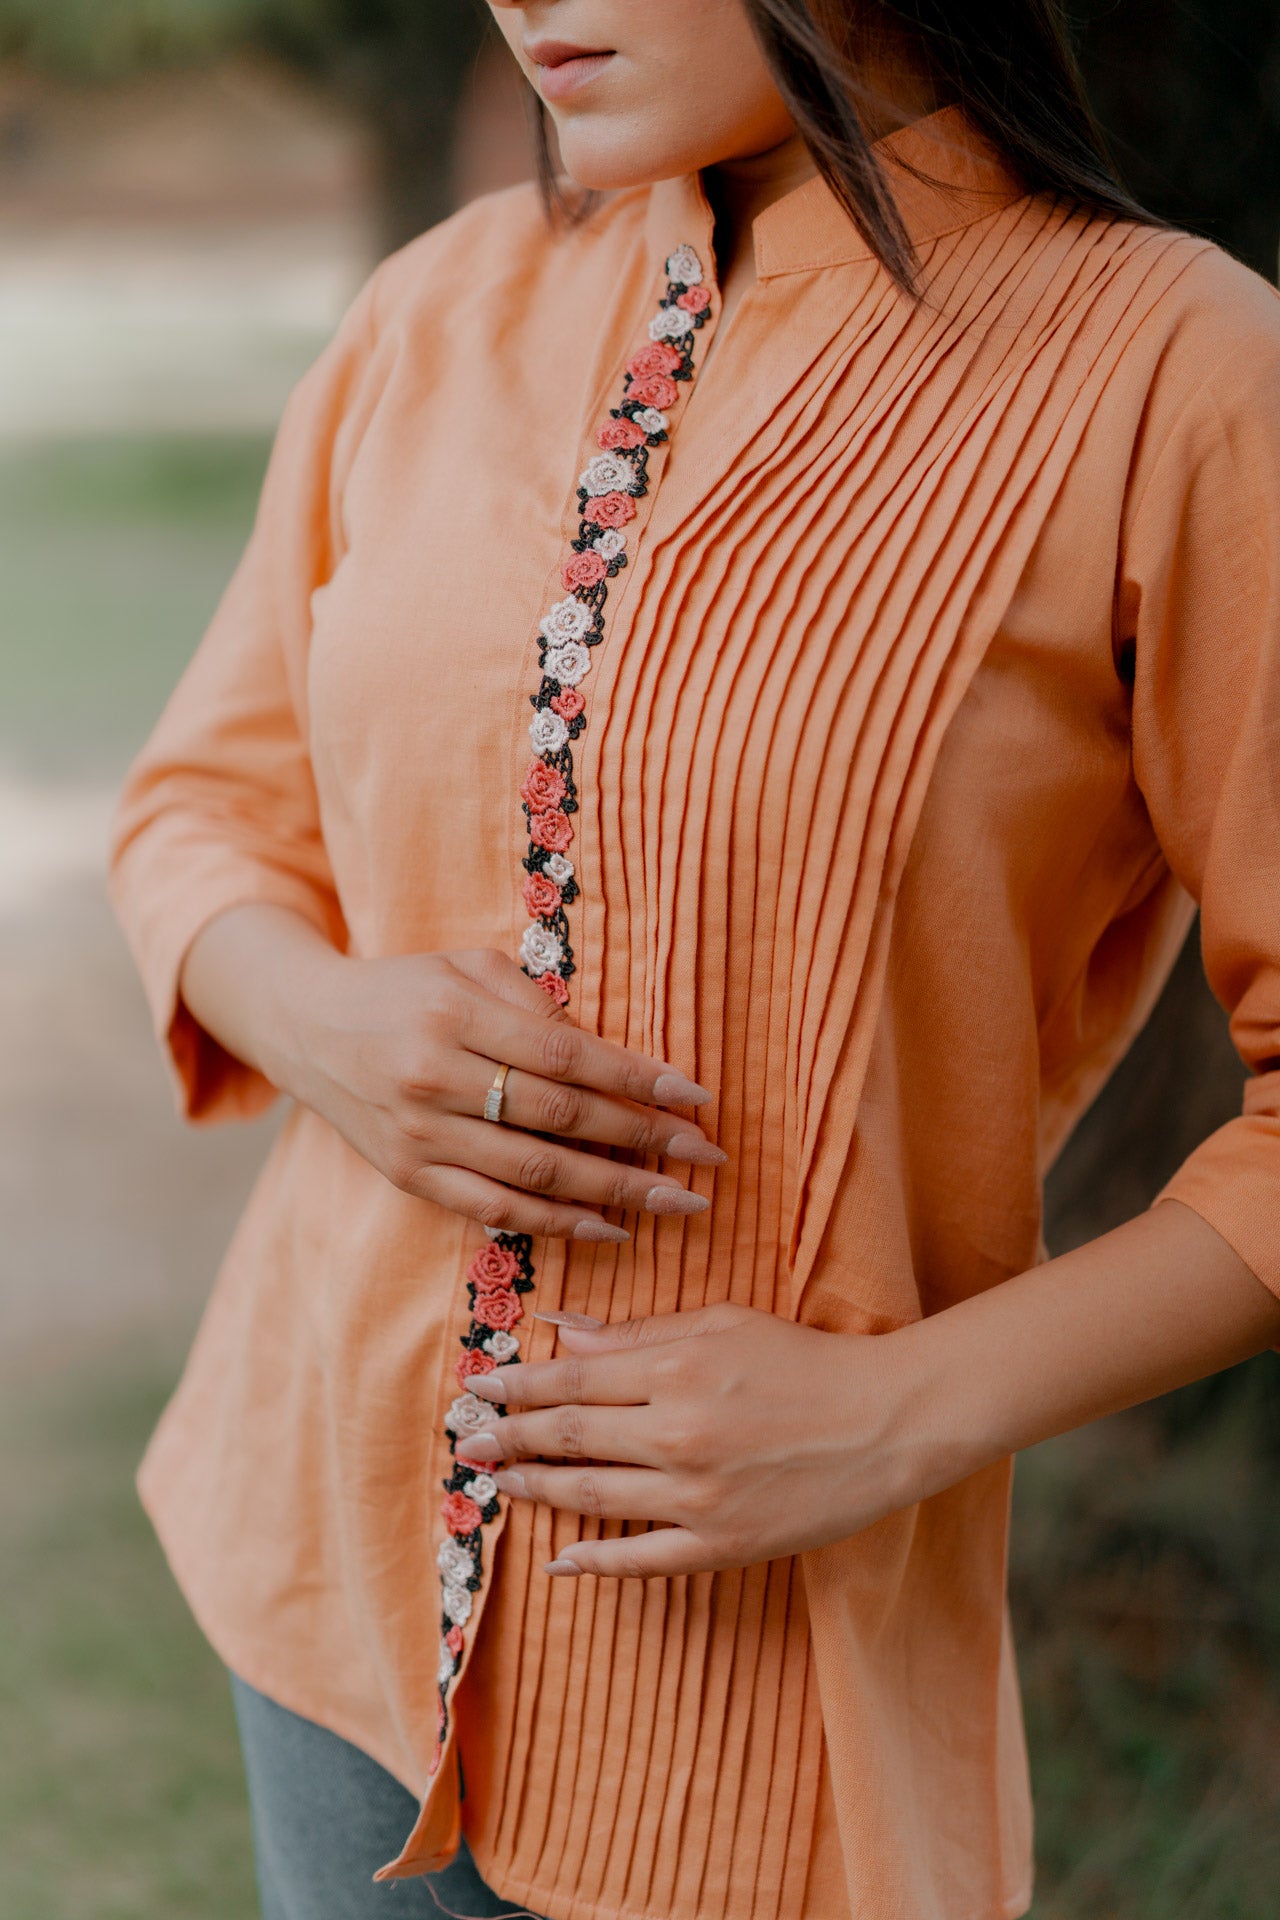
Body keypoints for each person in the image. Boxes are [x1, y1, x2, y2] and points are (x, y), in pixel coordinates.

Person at [108, 2, 1280, 1916]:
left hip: (763, 1695)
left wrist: (892, 1412)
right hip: (324, 1571)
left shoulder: (1181, 372)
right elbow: (197, 814)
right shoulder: (438, 310)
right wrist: (319, 1020)